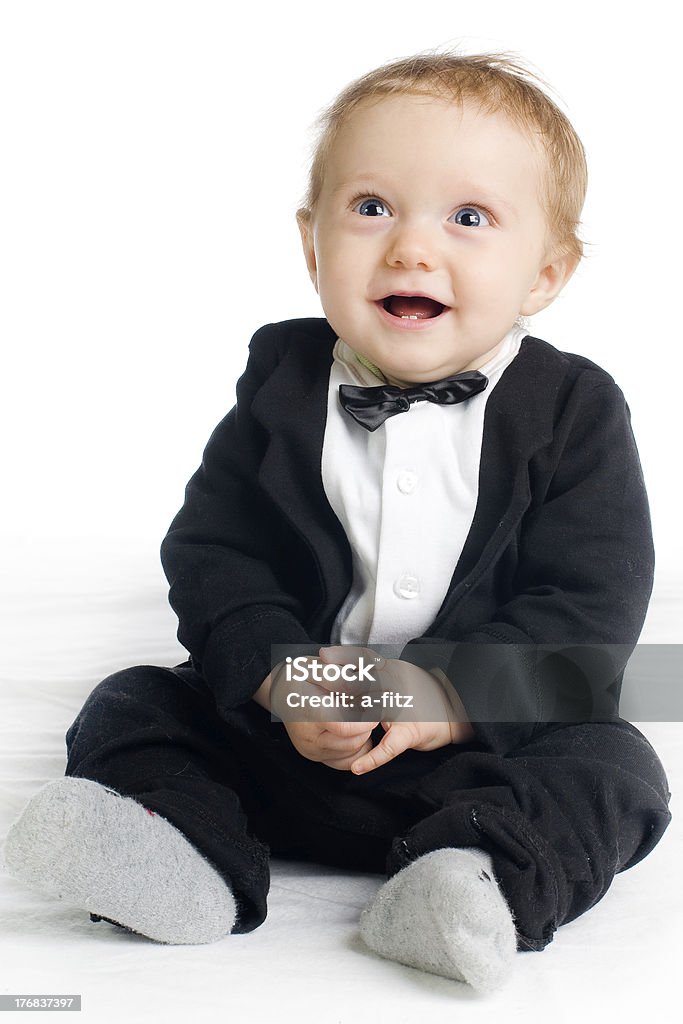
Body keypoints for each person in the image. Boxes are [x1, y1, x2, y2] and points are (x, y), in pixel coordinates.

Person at [4, 51, 672, 994]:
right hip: (285, 739)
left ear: (544, 275)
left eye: (468, 218)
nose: (408, 248)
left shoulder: (575, 415)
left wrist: (446, 697)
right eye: (370, 207)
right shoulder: (279, 387)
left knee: (617, 765)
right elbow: (215, 554)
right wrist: (279, 676)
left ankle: (470, 881)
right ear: (312, 245)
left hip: (474, 758)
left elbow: (589, 612)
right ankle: (178, 850)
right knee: (137, 699)